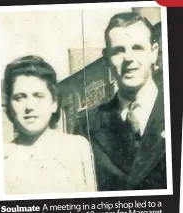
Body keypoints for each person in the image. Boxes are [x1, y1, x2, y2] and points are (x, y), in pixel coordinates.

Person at [74, 12, 166, 191]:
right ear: (107, 58)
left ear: (154, 52)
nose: (129, 58)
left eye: (137, 48)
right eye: (118, 51)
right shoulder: (87, 126)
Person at [2, 55, 97, 194]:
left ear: (54, 103)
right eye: (20, 97)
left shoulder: (77, 148)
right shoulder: (3, 157)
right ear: (9, 106)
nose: (29, 106)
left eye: (38, 96)